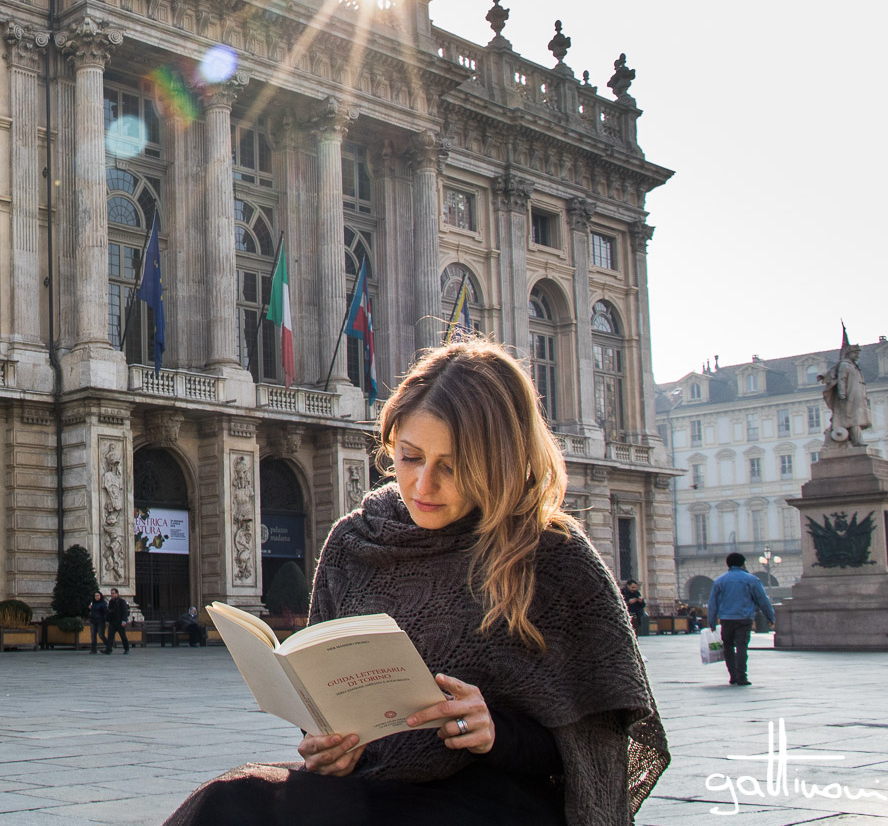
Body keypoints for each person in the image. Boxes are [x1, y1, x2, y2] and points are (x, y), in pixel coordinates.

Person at [165, 339, 668, 826]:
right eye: (410, 457)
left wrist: (493, 730)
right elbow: (322, 702)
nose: (423, 486)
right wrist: (330, 746)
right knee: (226, 803)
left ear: (501, 463)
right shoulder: (355, 542)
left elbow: (594, 744)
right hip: (372, 786)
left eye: (452, 467)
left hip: (494, 798)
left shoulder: (551, 555)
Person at [708, 552, 775, 686]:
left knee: (728, 647)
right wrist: (770, 616)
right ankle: (742, 676)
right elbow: (762, 600)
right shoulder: (751, 580)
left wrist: (712, 621)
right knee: (741, 647)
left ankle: (732, 675)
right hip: (744, 618)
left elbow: (713, 603)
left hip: (726, 619)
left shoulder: (720, 581)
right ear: (743, 563)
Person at [105, 588, 131, 655]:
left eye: (113, 593)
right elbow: (109, 611)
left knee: (123, 636)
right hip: (113, 622)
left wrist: (124, 620)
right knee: (110, 636)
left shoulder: (122, 601)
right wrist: (107, 620)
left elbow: (124, 611)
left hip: (120, 622)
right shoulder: (111, 601)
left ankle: (126, 649)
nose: (112, 595)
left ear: (117, 593)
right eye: (111, 593)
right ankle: (109, 649)